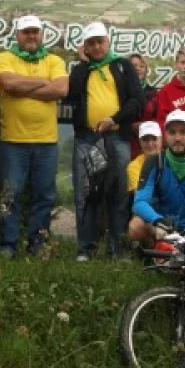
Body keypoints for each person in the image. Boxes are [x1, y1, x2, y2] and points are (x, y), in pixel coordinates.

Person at [0, 14, 69, 257]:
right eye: (26, 32)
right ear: (17, 35)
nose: (31, 36)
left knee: (44, 195)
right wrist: (42, 83)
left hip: (46, 141)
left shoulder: (54, 60)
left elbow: (61, 89)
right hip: (13, 140)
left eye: (35, 31)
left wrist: (23, 85)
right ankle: (8, 244)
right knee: (10, 194)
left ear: (41, 34)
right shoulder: (5, 58)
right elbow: (8, 85)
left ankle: (37, 243)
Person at [68, 21, 144, 260]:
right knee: (85, 192)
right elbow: (71, 94)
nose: (97, 47)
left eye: (100, 41)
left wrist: (114, 119)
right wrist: (83, 62)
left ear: (107, 42)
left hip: (117, 136)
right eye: (91, 43)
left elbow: (137, 100)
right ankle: (85, 248)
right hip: (87, 138)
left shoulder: (122, 66)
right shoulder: (81, 69)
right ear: (86, 47)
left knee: (119, 192)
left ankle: (117, 248)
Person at [128, 110, 185, 245]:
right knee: (135, 226)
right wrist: (158, 221)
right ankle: (149, 247)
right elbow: (139, 203)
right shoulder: (154, 162)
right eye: (172, 132)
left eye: (184, 132)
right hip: (161, 226)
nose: (177, 138)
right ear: (165, 136)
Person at [129, 53, 159, 158]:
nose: (138, 69)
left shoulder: (153, 92)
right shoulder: (121, 91)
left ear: (146, 70)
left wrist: (143, 124)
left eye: (142, 66)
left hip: (147, 138)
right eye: (134, 66)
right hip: (126, 138)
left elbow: (158, 116)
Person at [127, 120, 162, 195]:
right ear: (140, 142)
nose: (150, 144)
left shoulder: (171, 158)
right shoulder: (133, 166)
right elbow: (140, 195)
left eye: (154, 139)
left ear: (161, 139)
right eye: (145, 140)